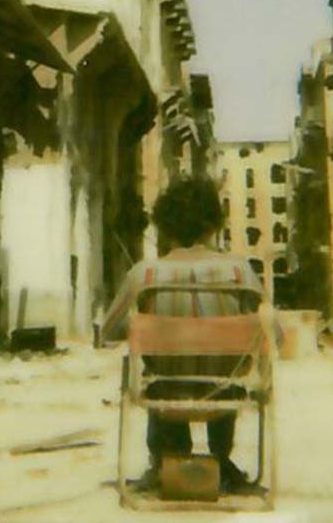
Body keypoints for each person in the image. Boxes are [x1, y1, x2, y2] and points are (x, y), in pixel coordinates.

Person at [99, 176, 279, 493]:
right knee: (225, 373)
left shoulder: (145, 274)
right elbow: (275, 335)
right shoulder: (241, 272)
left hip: (165, 396)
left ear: (164, 227)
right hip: (226, 392)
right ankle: (221, 460)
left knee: (161, 376)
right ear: (213, 226)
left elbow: (108, 334)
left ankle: (165, 460)